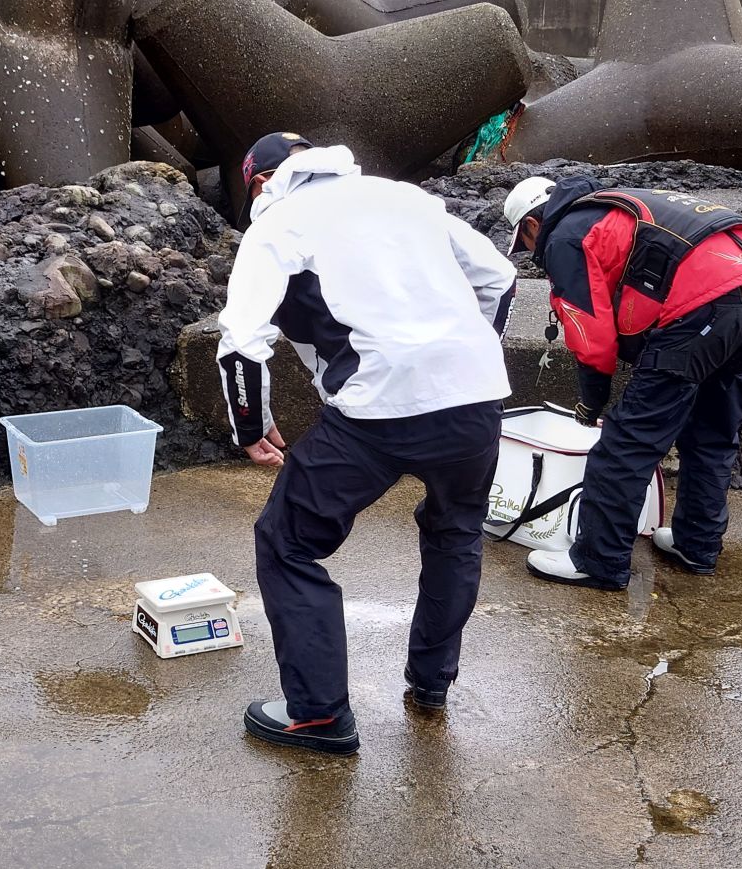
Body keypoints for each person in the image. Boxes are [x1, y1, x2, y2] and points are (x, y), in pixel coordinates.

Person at [217, 133, 517, 754]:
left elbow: (241, 341)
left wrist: (251, 429)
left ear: (259, 182)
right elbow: (500, 276)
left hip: (378, 412)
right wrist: (460, 362)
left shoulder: (278, 222)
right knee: (455, 532)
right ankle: (431, 683)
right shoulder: (402, 197)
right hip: (475, 398)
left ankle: (319, 715)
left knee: (287, 543)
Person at [502, 175, 742, 590]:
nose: (531, 253)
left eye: (525, 245)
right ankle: (696, 544)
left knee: (626, 442)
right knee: (712, 434)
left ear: (530, 225)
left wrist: (593, 403)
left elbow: (591, 334)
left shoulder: (564, 234)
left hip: (705, 307)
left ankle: (598, 561)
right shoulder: (614, 207)